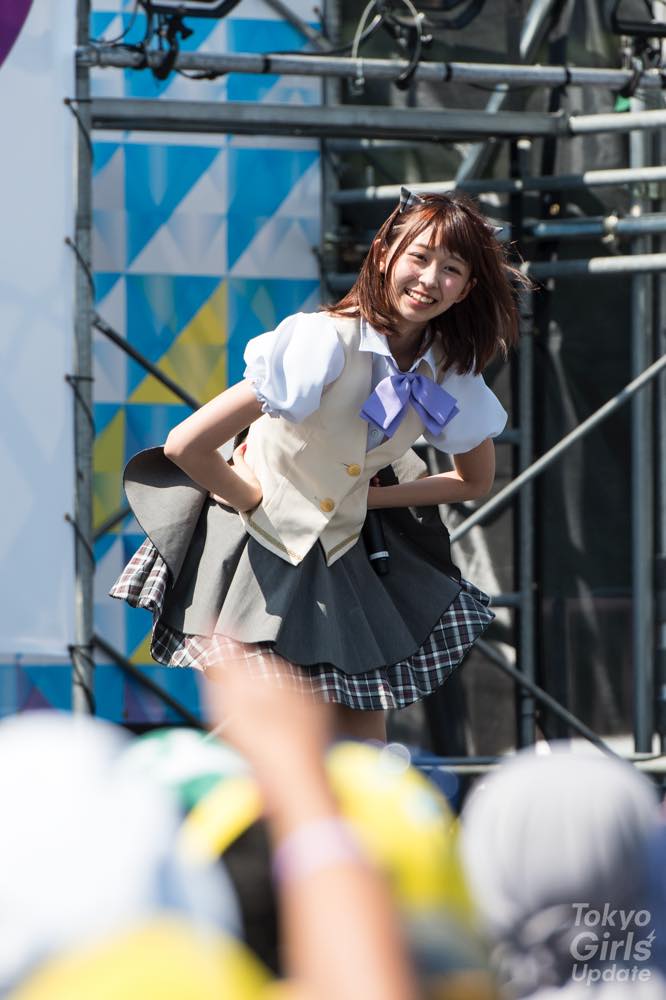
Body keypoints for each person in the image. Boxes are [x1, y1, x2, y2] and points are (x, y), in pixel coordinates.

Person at [111, 187, 524, 741]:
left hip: (344, 556)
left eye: (451, 269)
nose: (430, 280)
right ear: (385, 254)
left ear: (468, 287)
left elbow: (474, 481)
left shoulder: (450, 373)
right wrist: (249, 496)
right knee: (268, 738)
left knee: (364, 741)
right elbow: (186, 444)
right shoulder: (324, 340)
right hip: (257, 551)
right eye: (420, 257)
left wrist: (373, 498)